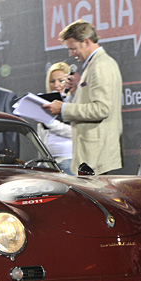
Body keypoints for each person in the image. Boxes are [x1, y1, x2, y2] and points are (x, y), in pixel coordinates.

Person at [43, 19, 124, 175]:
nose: (71, 54)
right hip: (92, 155)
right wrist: (76, 91)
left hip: (96, 156)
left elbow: (102, 108)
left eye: (73, 48)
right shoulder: (96, 64)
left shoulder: (100, 65)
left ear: (86, 42)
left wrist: (63, 108)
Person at [36, 61, 74, 174]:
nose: (56, 85)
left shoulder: (72, 102)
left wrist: (48, 122)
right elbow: (42, 137)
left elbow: (74, 131)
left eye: (61, 80)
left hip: (68, 160)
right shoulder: (45, 104)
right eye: (52, 81)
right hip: (49, 163)